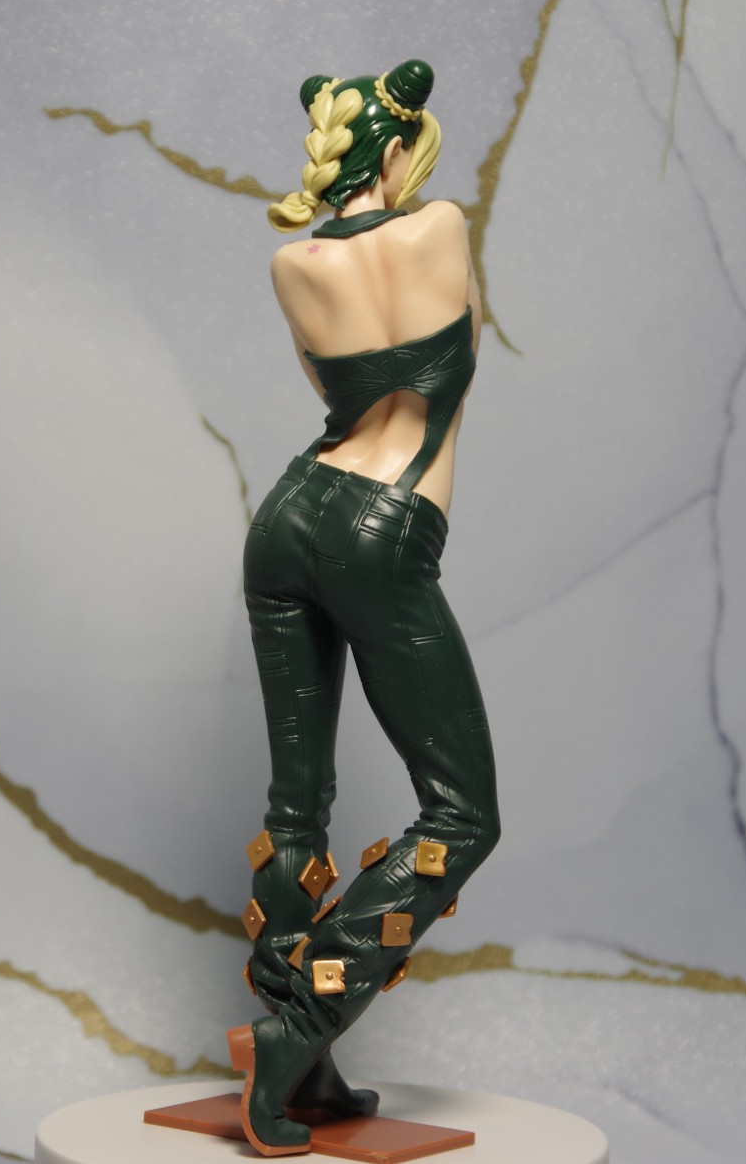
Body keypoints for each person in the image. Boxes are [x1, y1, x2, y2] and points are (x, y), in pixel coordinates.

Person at [229, 59, 500, 1156]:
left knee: (297, 804)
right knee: (461, 814)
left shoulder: (289, 265)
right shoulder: (443, 228)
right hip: (384, 526)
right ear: (395, 151)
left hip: (288, 513)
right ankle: (299, 1024)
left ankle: (300, 1066)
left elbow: (334, 393)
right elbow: (454, 360)